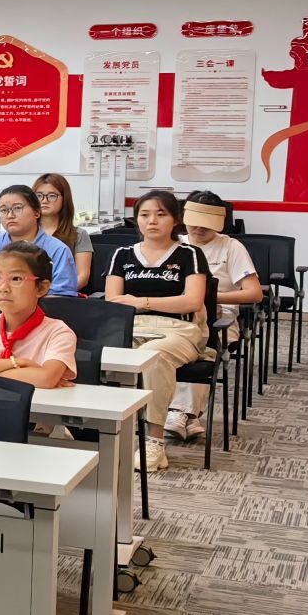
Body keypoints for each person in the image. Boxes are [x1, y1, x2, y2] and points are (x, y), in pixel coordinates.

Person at [104, 190, 209, 469]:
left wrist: (142, 302)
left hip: (178, 329)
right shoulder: (122, 255)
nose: (152, 221)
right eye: (145, 214)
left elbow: (192, 301)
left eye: (161, 214)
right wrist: (141, 306)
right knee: (92, 354)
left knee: (154, 356)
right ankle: (97, 433)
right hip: (130, 326)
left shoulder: (190, 254)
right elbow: (113, 299)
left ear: (175, 219)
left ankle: (154, 442)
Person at [175, 192, 262, 425]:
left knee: (199, 344)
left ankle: (184, 413)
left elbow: (254, 293)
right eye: (194, 222)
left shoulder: (231, 247)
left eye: (206, 223)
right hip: (174, 314)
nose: (199, 228)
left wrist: (210, 298)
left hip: (218, 319)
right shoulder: (175, 244)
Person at [0, 241, 78, 390]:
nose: (3, 288)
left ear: (41, 288)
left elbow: (46, 378)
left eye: (16, 279)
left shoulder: (58, 332)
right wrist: (19, 363)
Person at [0, 185, 79, 312]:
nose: (10, 215)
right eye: (3, 210)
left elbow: (60, 298)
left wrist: (13, 308)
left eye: (17, 208)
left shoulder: (58, 250)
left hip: (39, 315)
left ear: (37, 212)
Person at [34, 173, 92, 291]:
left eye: (52, 196)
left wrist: (54, 293)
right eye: (39, 195)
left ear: (64, 199)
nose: (44, 200)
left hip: (61, 295)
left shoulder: (78, 235)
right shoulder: (25, 232)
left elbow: (82, 277)